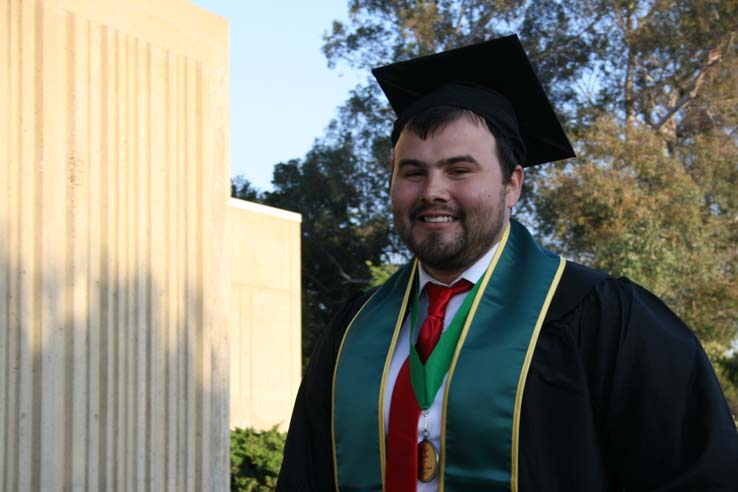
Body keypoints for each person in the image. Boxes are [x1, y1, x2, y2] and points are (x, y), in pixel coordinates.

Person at [276, 35, 738, 492]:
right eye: (413, 171)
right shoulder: (353, 331)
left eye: (460, 170)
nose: (433, 190)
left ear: (513, 184)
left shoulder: (600, 318)